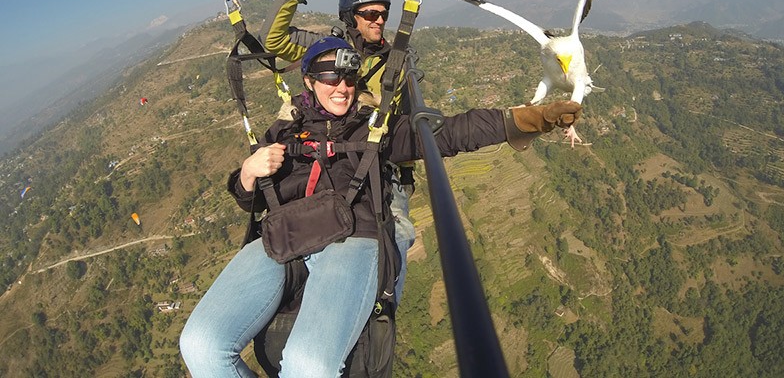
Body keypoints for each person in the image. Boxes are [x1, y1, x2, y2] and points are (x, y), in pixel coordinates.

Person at [180, 36, 581, 377]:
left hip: (353, 238)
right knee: (200, 344)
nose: (342, 87)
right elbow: (249, 197)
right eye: (330, 77)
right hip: (285, 237)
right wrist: (247, 173)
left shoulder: (376, 128)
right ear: (308, 81)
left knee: (308, 367)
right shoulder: (282, 132)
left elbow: (450, 133)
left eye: (350, 77)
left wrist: (529, 119)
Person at [263, 0, 416, 301]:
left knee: (400, 232)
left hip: (375, 159)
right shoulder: (325, 49)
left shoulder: (396, 62)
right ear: (351, 17)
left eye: (383, 14)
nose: (379, 20)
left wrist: (406, 171)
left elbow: (404, 115)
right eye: (369, 14)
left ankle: (382, 303)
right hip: (325, 158)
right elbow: (272, 39)